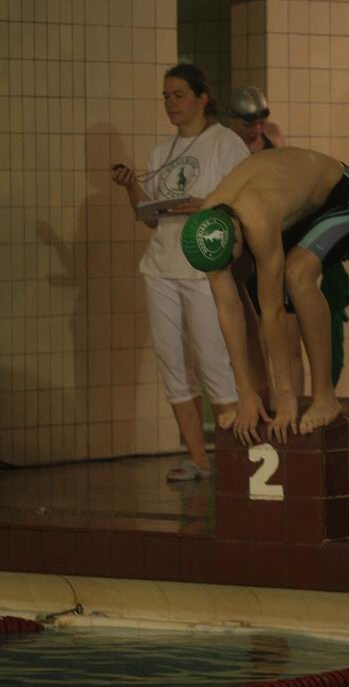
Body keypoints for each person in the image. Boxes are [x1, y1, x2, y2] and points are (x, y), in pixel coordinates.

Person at [180, 147, 349, 446]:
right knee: (239, 281)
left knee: (297, 275)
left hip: (344, 193)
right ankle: (260, 393)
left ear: (235, 236)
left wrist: (287, 397)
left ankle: (325, 397)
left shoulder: (257, 217)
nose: (226, 268)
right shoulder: (207, 229)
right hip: (295, 208)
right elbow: (229, 310)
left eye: (230, 259)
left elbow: (273, 313)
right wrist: (245, 392)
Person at [111, 63, 249, 481]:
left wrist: (205, 205)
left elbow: (246, 200)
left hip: (205, 267)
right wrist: (132, 186)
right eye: (166, 97)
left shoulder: (225, 142)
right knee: (171, 362)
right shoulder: (161, 152)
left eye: (179, 95)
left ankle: (236, 461)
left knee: (214, 361)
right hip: (161, 266)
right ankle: (198, 458)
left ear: (202, 98)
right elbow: (149, 218)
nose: (171, 104)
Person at [228, 85, 305, 397]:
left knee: (289, 338)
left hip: (279, 241)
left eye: (261, 122)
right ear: (232, 119)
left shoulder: (274, 135)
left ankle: (296, 407)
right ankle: (267, 405)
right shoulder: (225, 144)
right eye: (249, 123)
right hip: (247, 249)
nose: (256, 130)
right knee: (258, 339)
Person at [228, 85, 286, 152]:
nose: (257, 131)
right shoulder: (223, 145)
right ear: (231, 119)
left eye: (262, 123)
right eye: (248, 125)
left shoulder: (274, 134)